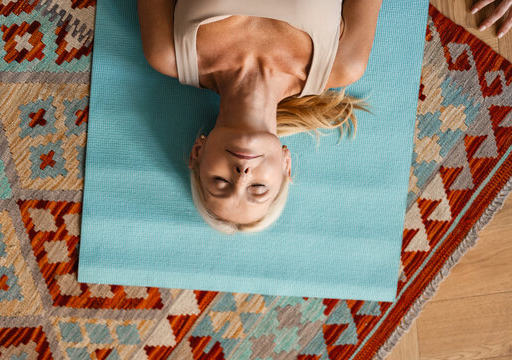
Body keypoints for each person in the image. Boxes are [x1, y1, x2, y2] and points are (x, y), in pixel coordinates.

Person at [137, 0, 381, 233]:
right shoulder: (343, 64)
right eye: (258, 188)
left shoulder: (167, 52)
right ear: (287, 165)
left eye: (220, 182)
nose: (242, 175)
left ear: (197, 152)